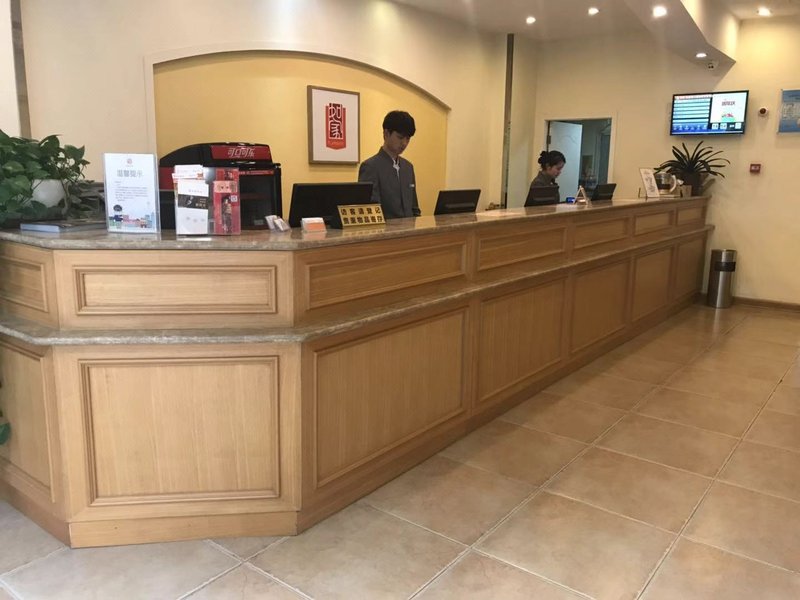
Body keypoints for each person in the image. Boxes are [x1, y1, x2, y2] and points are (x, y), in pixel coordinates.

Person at [358, 110, 421, 219]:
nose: (404, 143)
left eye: (408, 139)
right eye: (400, 137)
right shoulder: (370, 166)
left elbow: (414, 208)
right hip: (385, 228)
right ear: (386, 134)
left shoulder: (408, 167)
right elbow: (370, 211)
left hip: (410, 228)